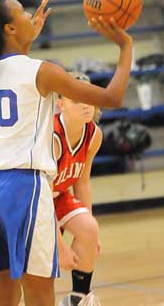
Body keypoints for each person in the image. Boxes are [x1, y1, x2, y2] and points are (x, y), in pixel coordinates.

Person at [0, 0, 132, 306]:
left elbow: (16, 70)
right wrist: (125, 47)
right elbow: (112, 97)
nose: (32, 16)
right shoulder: (42, 71)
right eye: (23, 13)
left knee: (3, 296)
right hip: (22, 187)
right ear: (9, 28)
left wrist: (25, 41)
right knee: (41, 295)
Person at [53, 72, 102, 306]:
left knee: (90, 228)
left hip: (58, 196)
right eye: (77, 100)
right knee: (40, 273)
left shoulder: (93, 134)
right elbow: (39, 195)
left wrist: (90, 236)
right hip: (33, 200)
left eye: (88, 98)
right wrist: (59, 245)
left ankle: (78, 299)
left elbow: (81, 182)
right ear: (60, 105)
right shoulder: (51, 136)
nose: (85, 105)